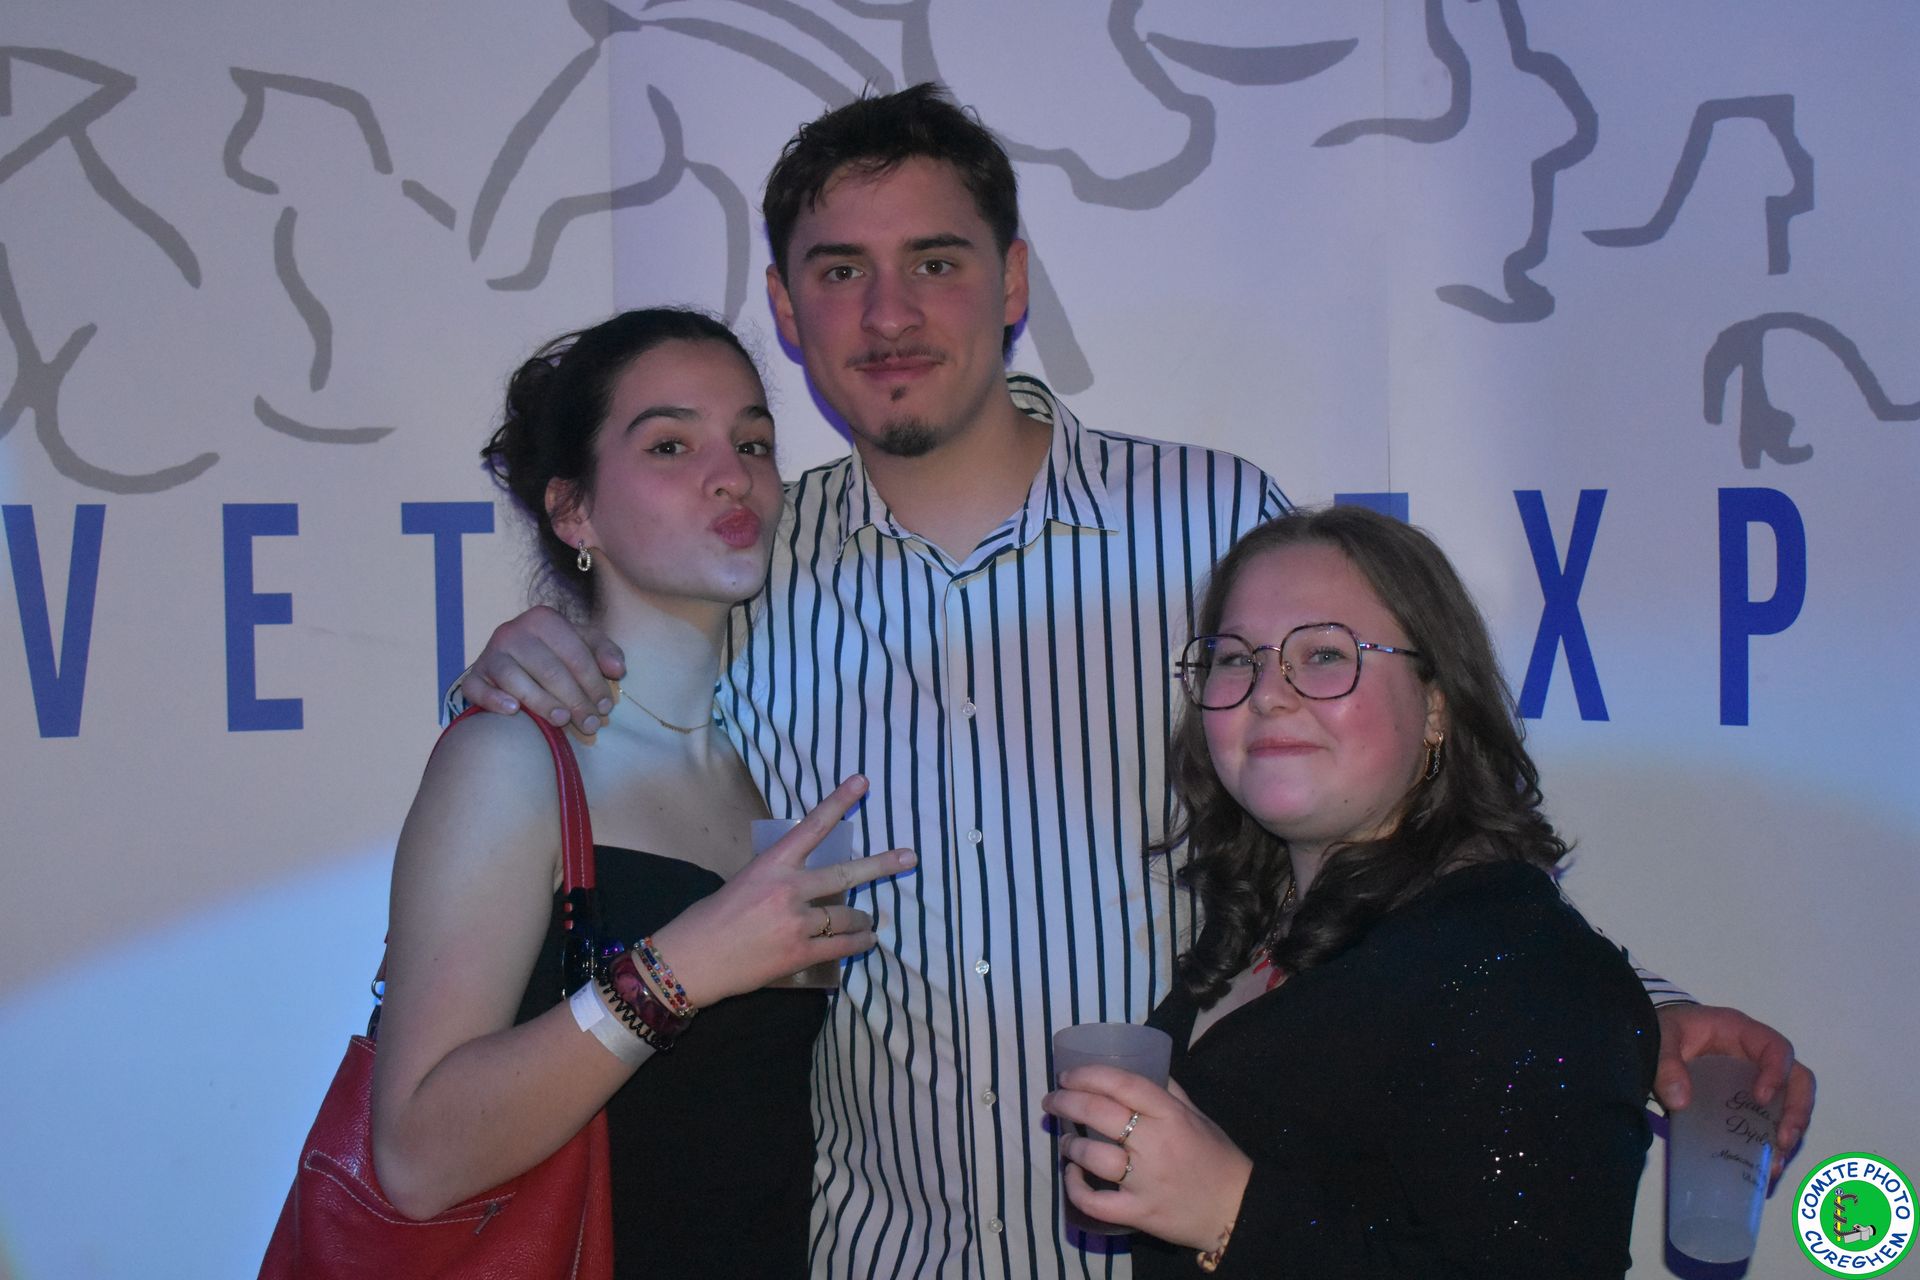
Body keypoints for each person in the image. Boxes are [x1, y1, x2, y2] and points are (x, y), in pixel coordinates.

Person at [457, 86, 1814, 1278]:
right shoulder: (737, 572)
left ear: (1012, 281)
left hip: (1203, 1246)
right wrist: (533, 649)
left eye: (935, 261)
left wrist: (1631, 1003)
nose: (888, 312)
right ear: (785, 308)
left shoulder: (1215, 527)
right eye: (840, 269)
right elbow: (625, 764)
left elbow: (1398, 824)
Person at [369, 307, 914, 1278]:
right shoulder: (513, 756)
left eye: (753, 441)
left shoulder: (775, 759)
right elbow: (415, 1157)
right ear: (573, 511)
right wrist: (679, 967)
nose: (731, 474)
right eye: (671, 444)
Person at [1045, 506, 1658, 1277]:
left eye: (1326, 654)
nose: (1268, 693)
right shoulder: (1258, 922)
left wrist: (1230, 1212)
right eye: (1235, 659)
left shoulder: (1526, 972)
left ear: (1436, 705)